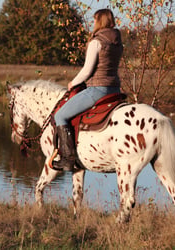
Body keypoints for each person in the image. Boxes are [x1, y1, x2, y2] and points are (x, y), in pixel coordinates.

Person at [53, 9, 123, 171]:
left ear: (99, 21)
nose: (93, 24)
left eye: (94, 20)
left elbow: (87, 70)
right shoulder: (117, 42)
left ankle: (68, 159)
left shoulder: (96, 42)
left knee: (61, 115)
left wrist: (73, 83)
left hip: (97, 89)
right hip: (114, 90)